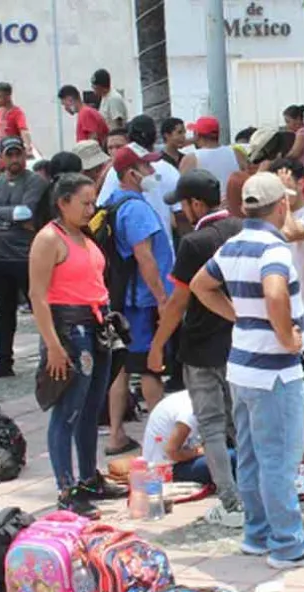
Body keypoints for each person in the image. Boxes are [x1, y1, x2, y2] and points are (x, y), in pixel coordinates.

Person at [190, 171, 304, 570]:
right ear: (283, 206)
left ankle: (257, 534)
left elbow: (200, 285)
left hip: (242, 367)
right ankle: (288, 544)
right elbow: (275, 292)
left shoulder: (234, 244)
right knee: (279, 461)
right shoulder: (274, 250)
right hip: (275, 371)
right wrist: (287, 336)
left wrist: (236, 316)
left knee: (253, 457)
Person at [146, 168, 245, 526]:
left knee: (213, 425)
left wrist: (157, 347)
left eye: (184, 204)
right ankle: (256, 490)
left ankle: (231, 502)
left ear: (196, 204)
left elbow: (178, 303)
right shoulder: (243, 229)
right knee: (243, 421)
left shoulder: (195, 243)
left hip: (203, 348)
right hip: (242, 343)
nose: (182, 212)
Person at [29, 174, 124, 518]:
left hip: (97, 325)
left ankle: (88, 478)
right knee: (67, 410)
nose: (90, 208)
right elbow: (37, 297)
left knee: (90, 408)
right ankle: (66, 488)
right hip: (69, 330)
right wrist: (53, 345)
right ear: (62, 202)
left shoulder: (82, 236)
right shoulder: (48, 239)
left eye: (93, 201)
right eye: (84, 202)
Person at [262, 159, 304, 500]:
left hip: (303, 316)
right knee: (281, 390)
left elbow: (291, 232)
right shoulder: (274, 215)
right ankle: (291, 458)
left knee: (301, 390)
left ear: (302, 184)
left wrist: (284, 198)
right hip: (275, 313)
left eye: (286, 184)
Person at [103, 145, 176, 455]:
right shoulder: (136, 209)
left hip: (123, 296)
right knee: (150, 366)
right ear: (131, 173)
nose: (151, 173)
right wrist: (161, 297)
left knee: (121, 366)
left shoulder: (112, 203)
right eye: (145, 168)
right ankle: (159, 438)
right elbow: (144, 257)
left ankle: (116, 434)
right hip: (142, 300)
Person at [0, 137, 47, 379]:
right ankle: (4, 360)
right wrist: (9, 219)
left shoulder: (35, 182)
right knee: (5, 311)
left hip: (28, 256)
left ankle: (51, 355)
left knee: (41, 309)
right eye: (10, 155)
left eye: (18, 154)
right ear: (2, 157)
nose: (15, 159)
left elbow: (26, 211)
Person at [96, 116, 181, 248]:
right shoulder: (137, 207)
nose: (152, 170)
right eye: (147, 165)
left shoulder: (114, 171)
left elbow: (101, 207)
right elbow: (180, 215)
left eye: (118, 147)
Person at [142, 390, 236, 485]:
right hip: (166, 468)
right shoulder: (192, 412)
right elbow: (171, 451)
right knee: (233, 458)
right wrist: (197, 452)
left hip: (179, 459)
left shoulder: (198, 397)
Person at [179, 116, 249, 193]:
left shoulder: (191, 159)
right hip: (233, 203)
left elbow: (183, 192)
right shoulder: (237, 153)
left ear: (197, 134)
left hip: (206, 204)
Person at [281, 105, 304, 173]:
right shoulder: (301, 132)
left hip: (298, 171)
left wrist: (280, 158)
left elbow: (294, 154)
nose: (287, 125)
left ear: (298, 119)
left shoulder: (303, 132)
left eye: (288, 121)